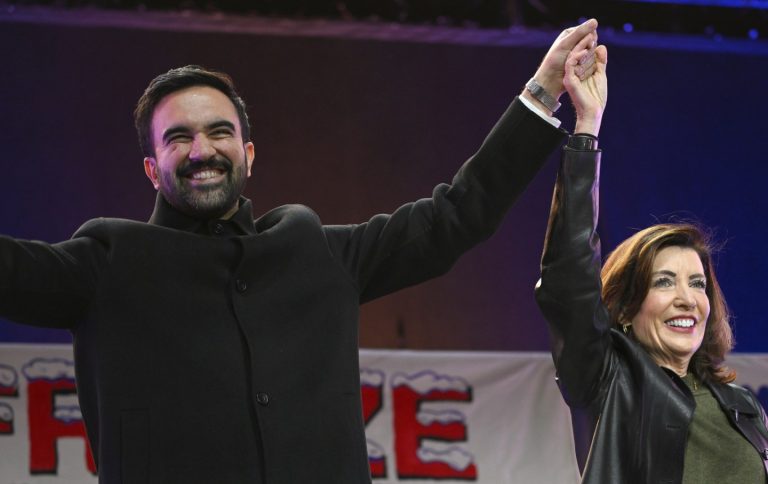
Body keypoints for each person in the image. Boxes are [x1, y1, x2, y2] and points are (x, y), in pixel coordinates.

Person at [1, 20, 599, 484]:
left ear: (248, 154)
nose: (201, 150)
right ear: (152, 170)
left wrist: (542, 93)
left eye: (219, 132)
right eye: (178, 138)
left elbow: (455, 217)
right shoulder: (110, 262)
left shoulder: (313, 251)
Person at [535, 37, 768, 484]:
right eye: (663, 282)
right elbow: (568, 277)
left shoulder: (743, 407)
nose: (687, 299)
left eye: (697, 284)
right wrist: (587, 126)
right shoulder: (607, 381)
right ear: (625, 309)